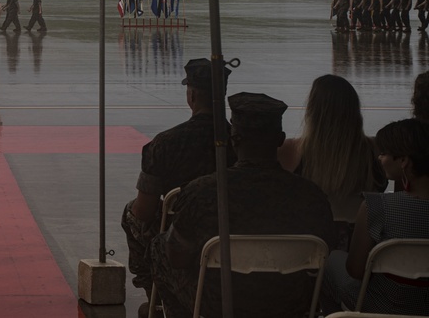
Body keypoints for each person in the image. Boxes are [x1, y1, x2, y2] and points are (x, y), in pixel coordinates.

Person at [149, 92, 335, 318]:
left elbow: (176, 257)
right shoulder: (311, 196)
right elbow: (327, 255)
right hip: (290, 303)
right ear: (279, 139)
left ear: (233, 138)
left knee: (160, 247)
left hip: (218, 302)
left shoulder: (203, 192)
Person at [121, 59, 233, 307]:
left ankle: (156, 294)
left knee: (130, 213)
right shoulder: (239, 143)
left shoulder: (165, 144)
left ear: (191, 95)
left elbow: (144, 210)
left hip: (179, 237)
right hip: (231, 233)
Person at [321, 118, 429, 315]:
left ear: (403, 160)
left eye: (384, 153)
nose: (379, 158)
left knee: (331, 260)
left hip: (383, 306)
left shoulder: (376, 206)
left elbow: (355, 270)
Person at [277, 75, 386, 247]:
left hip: (312, 244)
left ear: (312, 111)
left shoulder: (289, 151)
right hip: (365, 247)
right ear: (355, 110)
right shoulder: (377, 149)